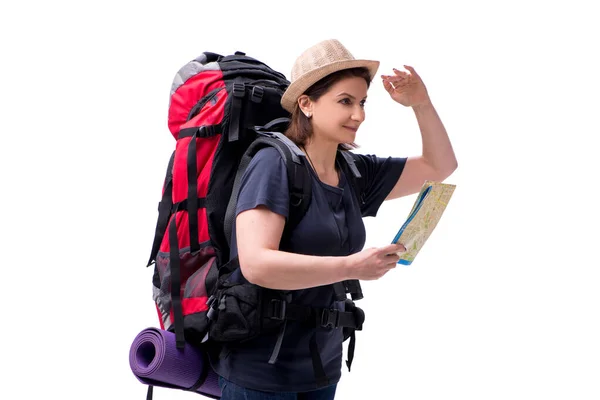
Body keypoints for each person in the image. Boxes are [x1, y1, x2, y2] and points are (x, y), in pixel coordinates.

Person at [211, 38, 458, 400]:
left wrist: (420, 103)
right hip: (259, 371)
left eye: (361, 102)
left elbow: (440, 166)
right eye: (345, 101)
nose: (358, 115)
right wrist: (349, 266)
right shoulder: (273, 164)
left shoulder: (355, 172)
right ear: (307, 104)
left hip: (321, 366)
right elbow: (256, 264)